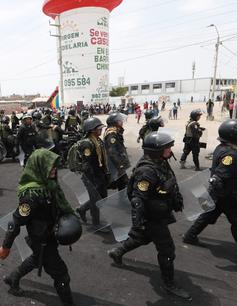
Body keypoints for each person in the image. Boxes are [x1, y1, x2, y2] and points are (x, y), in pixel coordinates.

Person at [108, 132, 190, 300]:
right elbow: (138, 199)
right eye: (167, 147)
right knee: (167, 250)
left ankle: (118, 251)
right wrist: (138, 222)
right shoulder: (147, 171)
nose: (170, 149)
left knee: (142, 238)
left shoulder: (160, 162)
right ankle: (169, 283)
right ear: (157, 150)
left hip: (159, 212)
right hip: (152, 216)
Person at [182, 119, 237, 266]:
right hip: (228, 196)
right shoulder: (231, 155)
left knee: (208, 215)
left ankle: (190, 235)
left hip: (222, 195)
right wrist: (221, 195)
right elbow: (219, 178)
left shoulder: (225, 147)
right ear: (233, 136)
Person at [0, 149, 79, 306]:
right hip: (41, 240)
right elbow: (15, 222)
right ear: (40, 167)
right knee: (61, 275)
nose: (55, 170)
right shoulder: (32, 195)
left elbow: (56, 206)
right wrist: (5, 247)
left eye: (55, 166)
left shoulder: (49, 185)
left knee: (36, 259)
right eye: (51, 167)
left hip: (49, 236)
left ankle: (12, 278)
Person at [75, 117, 110, 232]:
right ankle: (96, 224)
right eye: (98, 128)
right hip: (91, 176)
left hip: (99, 174)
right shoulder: (87, 143)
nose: (100, 130)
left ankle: (82, 209)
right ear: (91, 130)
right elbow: (87, 164)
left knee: (102, 198)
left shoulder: (98, 140)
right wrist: (93, 180)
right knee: (95, 200)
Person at [104, 112, 131, 191]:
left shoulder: (115, 131)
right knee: (123, 184)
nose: (122, 122)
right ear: (115, 122)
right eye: (120, 121)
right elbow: (112, 152)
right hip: (116, 165)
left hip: (118, 164)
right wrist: (120, 167)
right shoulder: (111, 134)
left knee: (122, 185)